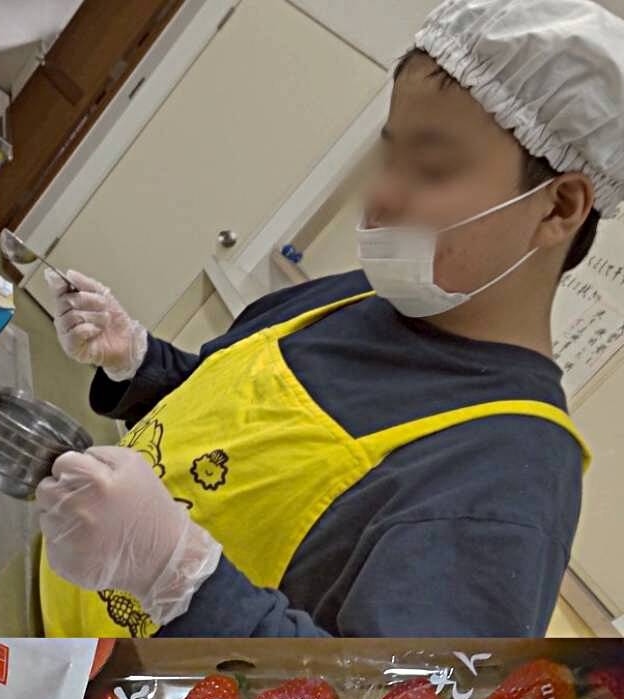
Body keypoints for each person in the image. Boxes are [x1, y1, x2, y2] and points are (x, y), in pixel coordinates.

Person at [36, 0, 624, 639]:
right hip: (39, 611)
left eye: (432, 168)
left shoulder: (509, 474)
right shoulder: (356, 298)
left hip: (102, 698)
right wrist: (137, 361)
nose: (381, 197)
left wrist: (174, 576)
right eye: (390, 156)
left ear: (558, 207)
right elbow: (220, 430)